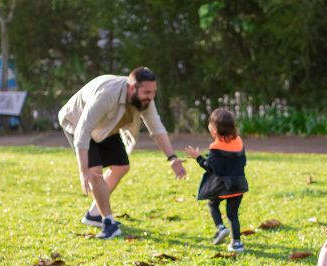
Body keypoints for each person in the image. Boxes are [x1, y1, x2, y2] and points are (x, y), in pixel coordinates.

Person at [58, 67, 187, 239]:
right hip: (78, 124)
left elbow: (156, 127)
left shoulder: (144, 99)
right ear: (132, 88)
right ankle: (108, 222)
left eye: (153, 92)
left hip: (107, 128)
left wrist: (172, 158)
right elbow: (83, 130)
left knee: (121, 167)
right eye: (147, 92)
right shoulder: (108, 95)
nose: (151, 97)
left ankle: (94, 214)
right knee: (95, 173)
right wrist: (84, 170)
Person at [184, 108, 248, 252]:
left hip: (223, 186)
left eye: (209, 124)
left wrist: (198, 157)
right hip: (239, 185)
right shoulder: (238, 141)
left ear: (215, 129)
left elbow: (210, 168)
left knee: (212, 204)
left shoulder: (216, 147)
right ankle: (237, 243)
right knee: (232, 214)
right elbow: (242, 161)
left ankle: (221, 227)